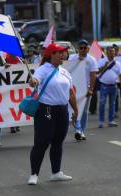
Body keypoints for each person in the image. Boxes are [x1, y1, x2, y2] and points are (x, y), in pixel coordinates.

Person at [27, 43, 78, 185]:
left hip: (62, 111)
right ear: (51, 55)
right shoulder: (43, 69)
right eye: (60, 52)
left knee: (58, 142)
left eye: (64, 52)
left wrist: (76, 110)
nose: (63, 55)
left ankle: (56, 172)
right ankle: (34, 174)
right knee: (41, 143)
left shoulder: (64, 72)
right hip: (46, 110)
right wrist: (33, 81)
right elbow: (36, 80)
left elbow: (71, 93)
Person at [68, 39, 98, 140]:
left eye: (85, 48)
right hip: (74, 89)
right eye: (81, 48)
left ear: (88, 48)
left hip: (85, 90)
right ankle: (77, 129)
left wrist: (91, 89)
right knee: (75, 110)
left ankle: (81, 131)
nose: (83, 50)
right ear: (78, 49)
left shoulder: (91, 60)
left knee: (84, 111)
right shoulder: (72, 58)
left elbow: (93, 75)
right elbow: (67, 71)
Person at [97, 46, 121, 128]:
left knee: (112, 104)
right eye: (110, 51)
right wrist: (104, 66)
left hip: (114, 86)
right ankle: (101, 121)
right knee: (102, 104)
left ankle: (111, 121)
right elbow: (97, 71)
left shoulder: (117, 63)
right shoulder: (102, 61)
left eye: (113, 51)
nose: (112, 53)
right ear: (106, 52)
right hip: (104, 86)